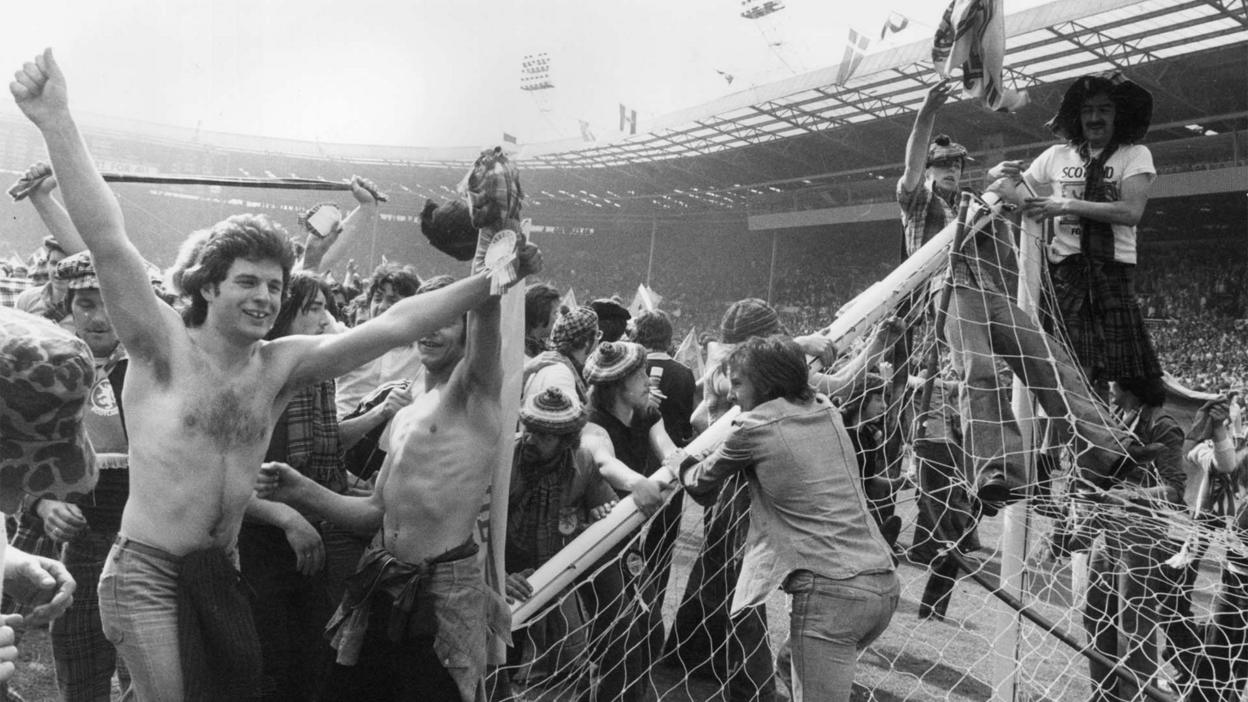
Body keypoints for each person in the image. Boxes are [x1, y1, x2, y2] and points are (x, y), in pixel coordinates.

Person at [11, 47, 541, 701]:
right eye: (248, 282)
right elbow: (108, 238)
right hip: (146, 571)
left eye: (274, 283)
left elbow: (394, 324)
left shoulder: (279, 363)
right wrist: (56, 119)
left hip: (222, 567)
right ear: (209, 285)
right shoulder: (160, 345)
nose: (265, 296)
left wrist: (491, 278)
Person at [256, 265, 536, 702]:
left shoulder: (476, 396)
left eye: (446, 321)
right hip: (381, 583)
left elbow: (486, 312)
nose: (430, 331)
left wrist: (492, 253)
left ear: (467, 332)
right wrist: (297, 489)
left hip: (440, 598)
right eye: (426, 320)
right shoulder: (406, 412)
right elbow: (374, 513)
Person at [674, 330, 902, 702]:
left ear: (763, 382)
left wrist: (678, 460)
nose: (731, 394)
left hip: (831, 592)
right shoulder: (826, 409)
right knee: (789, 665)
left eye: (737, 383)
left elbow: (700, 483)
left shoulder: (753, 427)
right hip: (882, 586)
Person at [32, 251, 157, 701]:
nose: (100, 317)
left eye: (109, 301)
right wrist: (43, 503)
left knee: (146, 675)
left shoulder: (155, 363)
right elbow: (19, 452)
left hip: (149, 544)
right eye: (86, 303)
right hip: (80, 541)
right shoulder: (46, 366)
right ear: (70, 307)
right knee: (79, 664)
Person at [1015, 72, 1161, 387]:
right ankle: (1072, 430)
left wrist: (1067, 205)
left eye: (1104, 109)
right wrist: (996, 173)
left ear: (1117, 114)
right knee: (1069, 366)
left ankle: (1107, 429)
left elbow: (1131, 212)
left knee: (1123, 375)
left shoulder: (1135, 154)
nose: (1094, 118)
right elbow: (1019, 189)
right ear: (1076, 116)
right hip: (1066, 272)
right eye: (1086, 110)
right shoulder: (1056, 155)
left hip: (1113, 269)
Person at [500, 387, 617, 688]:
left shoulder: (584, 463)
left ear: (566, 441)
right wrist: (497, 576)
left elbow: (605, 509)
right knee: (499, 661)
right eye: (529, 430)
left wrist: (602, 514)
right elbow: (475, 526)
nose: (530, 440)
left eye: (544, 436)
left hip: (555, 576)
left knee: (567, 657)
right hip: (505, 578)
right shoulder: (502, 462)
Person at [1083, 376, 1186, 702]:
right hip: (1110, 528)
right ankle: (1104, 695)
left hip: (1142, 534)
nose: (1109, 383)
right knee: (1096, 614)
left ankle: (1136, 696)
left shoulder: (1162, 425)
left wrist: (1132, 496)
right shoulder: (1119, 416)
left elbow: (1174, 490)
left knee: (1134, 625)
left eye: (1115, 378)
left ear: (1130, 383)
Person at [632, 309, 696, 448]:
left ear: (638, 335)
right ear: (668, 337)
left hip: (636, 451)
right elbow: (687, 423)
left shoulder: (631, 370)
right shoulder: (685, 373)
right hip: (673, 451)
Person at [523, 305, 600, 406]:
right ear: (587, 341)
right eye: (598, 335)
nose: (598, 341)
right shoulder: (561, 374)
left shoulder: (558, 365)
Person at [523, 282, 562, 358]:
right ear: (542, 314)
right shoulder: (525, 352)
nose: (558, 318)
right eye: (555, 313)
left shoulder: (538, 348)